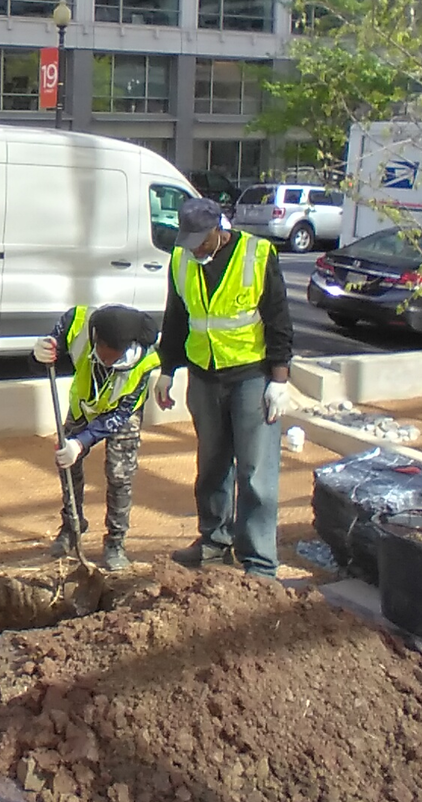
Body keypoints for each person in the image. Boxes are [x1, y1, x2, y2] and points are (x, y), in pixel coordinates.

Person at [153, 197, 296, 578]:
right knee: (212, 465)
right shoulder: (182, 260)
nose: (195, 248)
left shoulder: (257, 254)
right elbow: (176, 316)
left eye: (201, 239)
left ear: (220, 229)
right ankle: (214, 542)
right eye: (190, 240)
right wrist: (167, 369)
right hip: (204, 375)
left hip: (251, 376)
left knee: (254, 471)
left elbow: (278, 318)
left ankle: (259, 562)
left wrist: (279, 380)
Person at [31, 304, 161, 571]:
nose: (109, 361)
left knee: (119, 474)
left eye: (115, 358)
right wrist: (40, 353)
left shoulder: (145, 360)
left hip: (122, 414)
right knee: (66, 462)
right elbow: (48, 349)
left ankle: (115, 542)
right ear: (95, 339)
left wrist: (81, 442)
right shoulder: (77, 324)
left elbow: (121, 413)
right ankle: (71, 527)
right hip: (84, 405)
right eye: (104, 355)